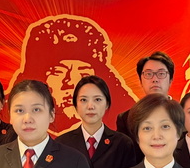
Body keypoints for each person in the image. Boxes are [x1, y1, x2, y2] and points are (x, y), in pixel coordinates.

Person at [7, 15, 137, 135]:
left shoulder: (125, 127)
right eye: (59, 72)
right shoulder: (11, 133)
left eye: (83, 72)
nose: (69, 83)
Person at [115, 51, 175, 138]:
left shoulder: (186, 115)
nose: (155, 79)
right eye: (148, 74)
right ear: (141, 81)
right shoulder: (126, 119)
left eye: (161, 74)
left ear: (170, 80)